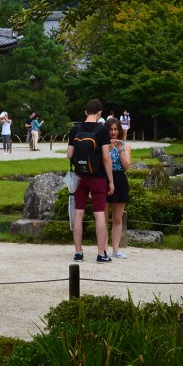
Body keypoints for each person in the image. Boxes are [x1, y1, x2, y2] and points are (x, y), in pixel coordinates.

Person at [67, 99, 114, 263]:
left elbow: (69, 154)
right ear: (100, 113)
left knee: (79, 212)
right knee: (99, 213)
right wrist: (111, 181)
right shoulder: (102, 131)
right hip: (98, 176)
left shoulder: (75, 129)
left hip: (79, 176)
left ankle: (78, 252)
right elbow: (106, 158)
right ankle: (101, 253)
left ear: (86, 112)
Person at [105, 117, 132, 259]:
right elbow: (99, 163)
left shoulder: (125, 145)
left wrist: (120, 151)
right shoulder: (102, 144)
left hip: (120, 179)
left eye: (116, 130)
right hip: (104, 179)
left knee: (117, 218)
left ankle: (115, 249)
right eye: (110, 130)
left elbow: (127, 166)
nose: (113, 132)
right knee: (102, 217)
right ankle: (103, 249)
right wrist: (108, 148)